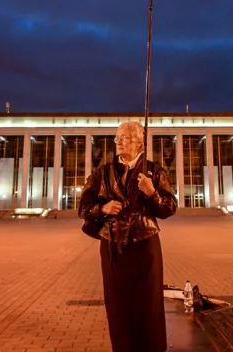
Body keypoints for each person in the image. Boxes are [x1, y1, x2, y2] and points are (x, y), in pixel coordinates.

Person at [78, 121, 178, 352]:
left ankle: (152, 347)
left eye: (125, 138)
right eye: (117, 138)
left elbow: (169, 208)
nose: (119, 142)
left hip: (145, 244)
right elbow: (83, 207)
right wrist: (103, 209)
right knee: (118, 303)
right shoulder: (102, 173)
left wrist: (152, 193)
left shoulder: (154, 171)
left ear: (140, 142)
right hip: (113, 246)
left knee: (148, 302)